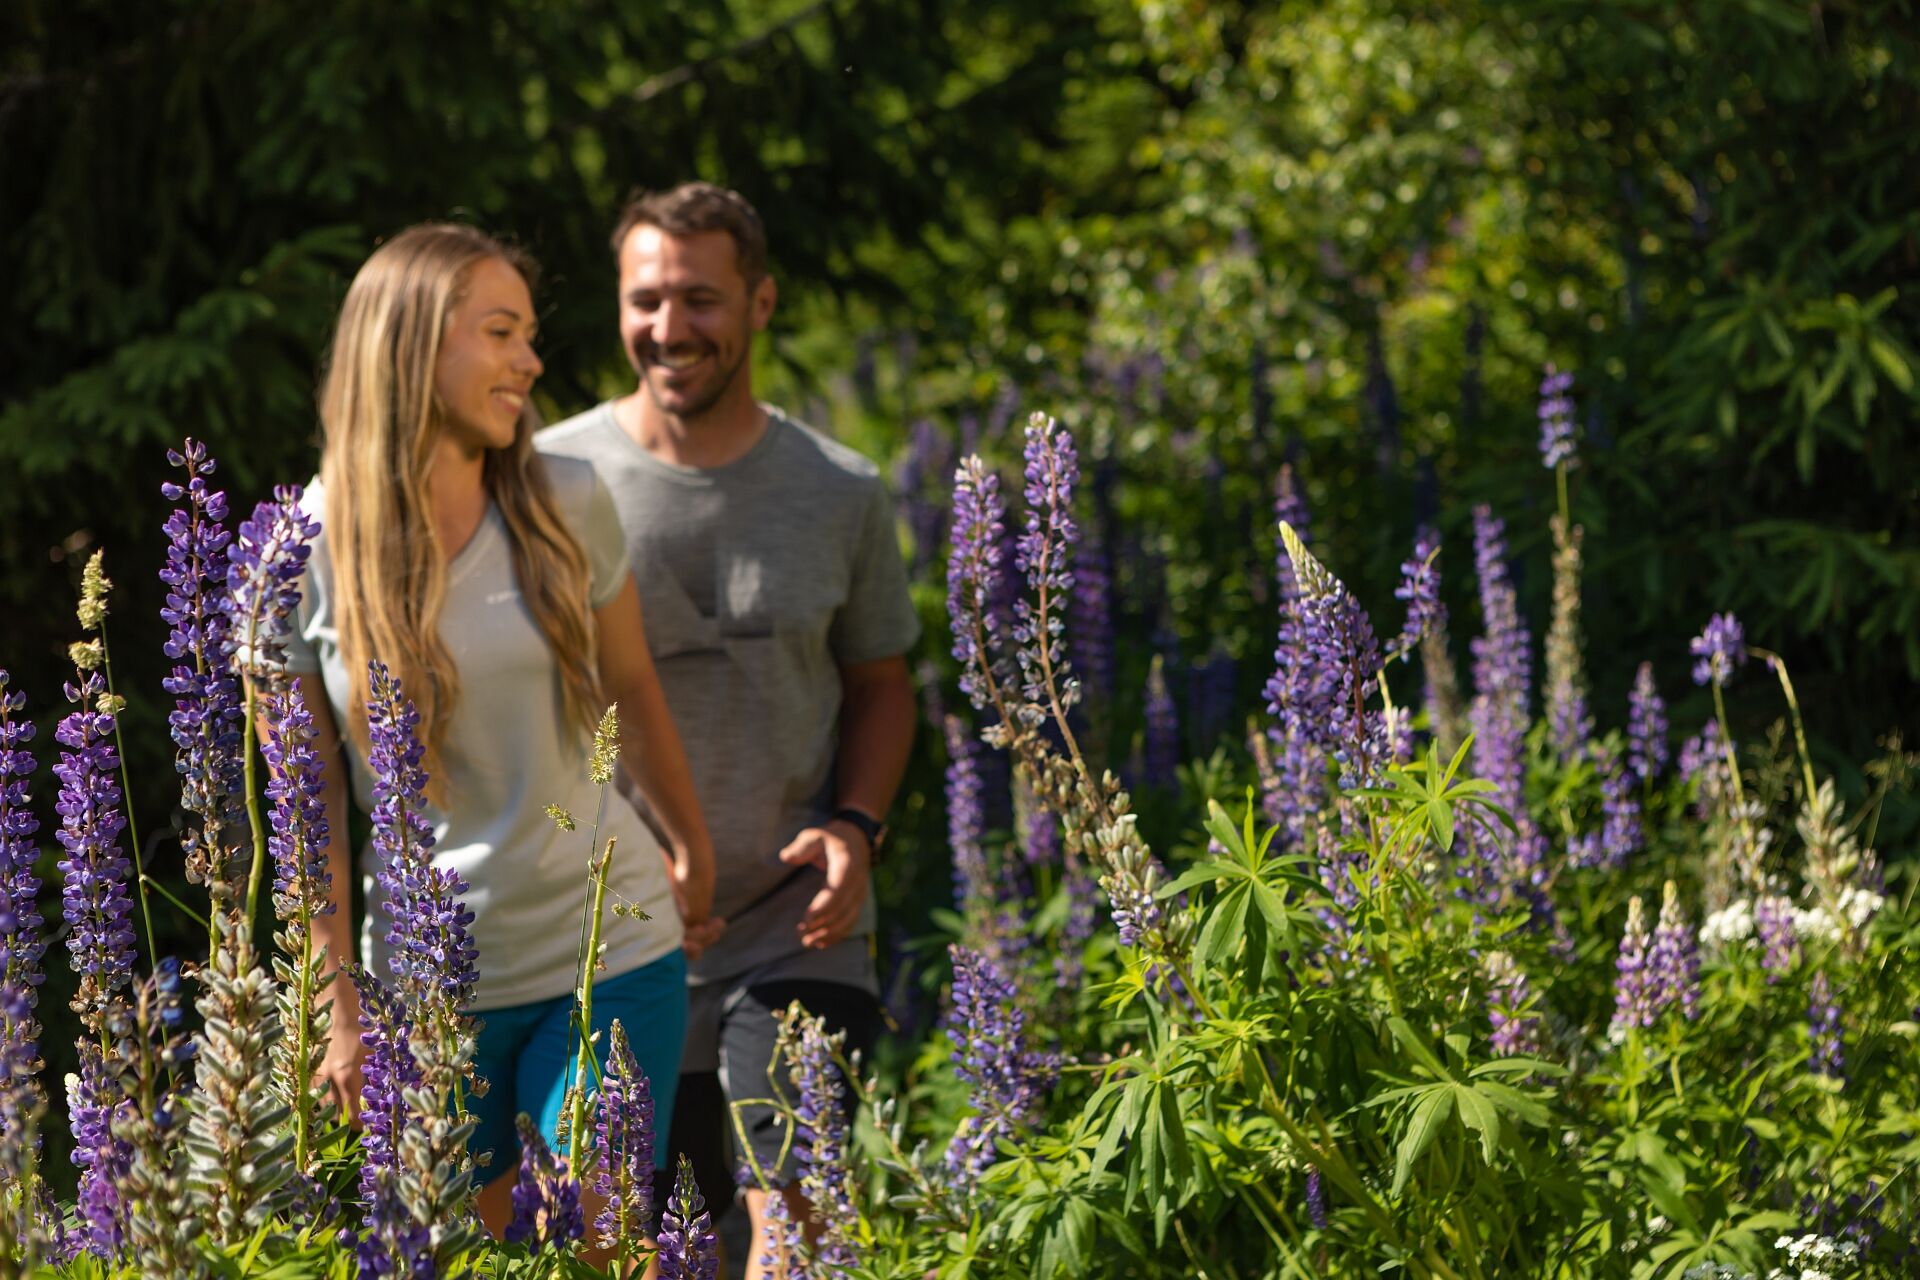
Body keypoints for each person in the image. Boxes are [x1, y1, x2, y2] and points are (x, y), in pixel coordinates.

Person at [277, 222, 722, 1238]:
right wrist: (338, 1007)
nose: (531, 360)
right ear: (412, 346)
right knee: (479, 1252)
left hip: (607, 951)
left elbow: (631, 688)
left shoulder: (567, 501)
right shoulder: (297, 545)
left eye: (529, 333)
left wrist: (688, 843)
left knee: (592, 1235)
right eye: (500, 332)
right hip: (427, 989)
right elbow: (307, 810)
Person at [538, 183, 918, 1275]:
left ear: (760, 301)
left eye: (699, 299)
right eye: (644, 299)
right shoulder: (552, 479)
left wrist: (858, 821)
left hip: (791, 924)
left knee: (793, 1228)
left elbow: (883, 684)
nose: (668, 328)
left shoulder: (839, 488)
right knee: (639, 1248)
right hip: (608, 932)